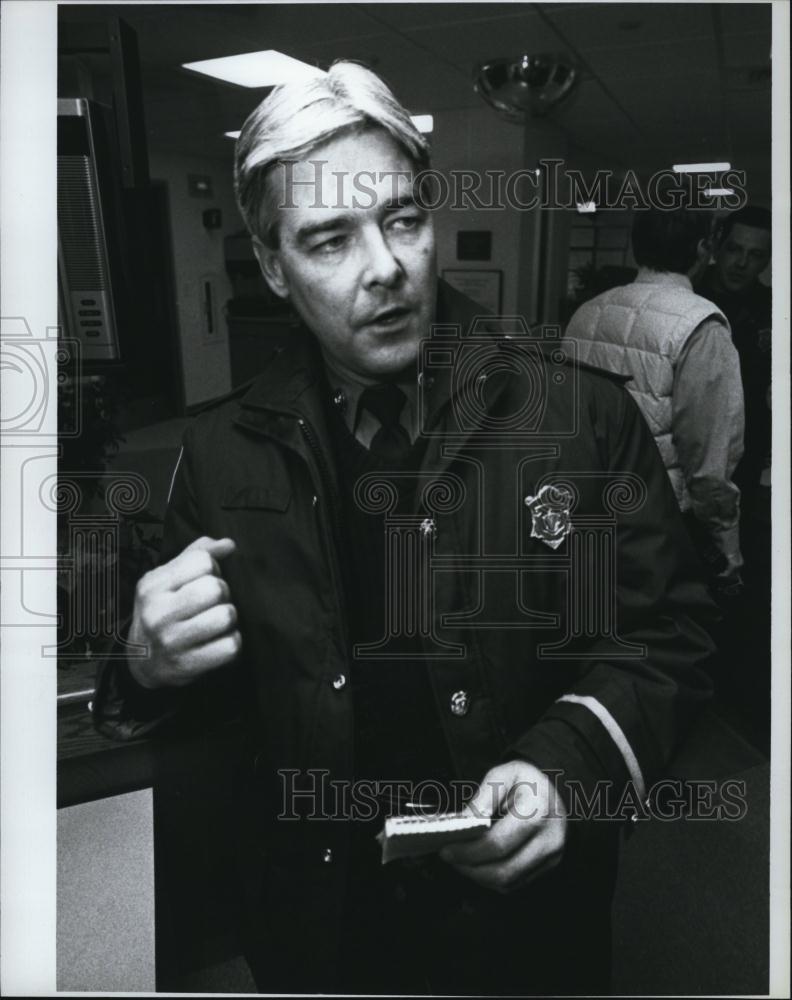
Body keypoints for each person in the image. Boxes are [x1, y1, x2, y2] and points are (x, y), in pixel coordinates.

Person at [94, 62, 717, 995]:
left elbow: (666, 633)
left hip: (525, 919)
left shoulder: (581, 419)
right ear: (273, 265)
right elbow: (207, 702)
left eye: (401, 220)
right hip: (324, 919)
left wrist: (573, 761)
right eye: (330, 239)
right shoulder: (217, 456)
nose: (384, 267)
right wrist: (148, 661)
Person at [564, 208, 745, 596]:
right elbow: (709, 457)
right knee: (672, 629)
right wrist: (725, 539)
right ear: (704, 248)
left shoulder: (587, 314)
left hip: (589, 513)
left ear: (637, 246)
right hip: (662, 526)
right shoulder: (702, 325)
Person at [697, 205, 772, 501]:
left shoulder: (773, 308)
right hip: (689, 452)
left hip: (747, 457)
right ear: (718, 247)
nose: (741, 263)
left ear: (767, 260)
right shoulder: (688, 297)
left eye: (755, 255)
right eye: (734, 249)